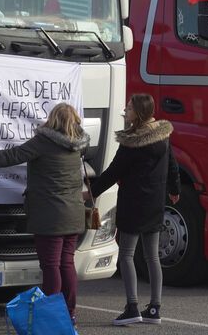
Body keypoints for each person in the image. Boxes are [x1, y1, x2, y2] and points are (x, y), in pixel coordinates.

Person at [0, 103, 89, 325]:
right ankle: (69, 313)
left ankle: (51, 316)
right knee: (66, 263)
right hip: (74, 214)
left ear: (53, 120)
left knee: (50, 266)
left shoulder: (44, 142)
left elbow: (13, 155)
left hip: (50, 216)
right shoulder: (78, 146)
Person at [88, 93, 179, 326]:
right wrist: (175, 189)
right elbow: (172, 164)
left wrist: (92, 191)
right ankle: (154, 308)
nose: (125, 112)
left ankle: (132, 307)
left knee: (126, 254)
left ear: (138, 113)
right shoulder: (163, 137)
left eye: (128, 108)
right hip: (155, 203)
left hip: (133, 203)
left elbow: (113, 172)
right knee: (152, 257)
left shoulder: (132, 143)